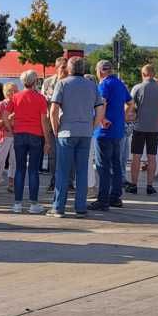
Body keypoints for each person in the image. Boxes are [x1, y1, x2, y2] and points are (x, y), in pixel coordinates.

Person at [49, 57, 104, 218]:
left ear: (69, 68)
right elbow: (100, 109)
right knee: (82, 171)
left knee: (62, 171)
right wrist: (92, 126)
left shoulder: (62, 84)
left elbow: (54, 110)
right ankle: (80, 207)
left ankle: (58, 207)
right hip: (85, 132)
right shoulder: (92, 85)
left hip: (66, 131)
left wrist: (55, 129)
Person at [88, 60, 133, 211]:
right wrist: (123, 117)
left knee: (103, 166)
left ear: (100, 71)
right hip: (118, 130)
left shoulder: (104, 85)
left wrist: (101, 120)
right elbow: (131, 103)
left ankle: (103, 200)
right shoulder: (119, 84)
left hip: (104, 131)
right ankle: (115, 197)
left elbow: (102, 103)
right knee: (116, 164)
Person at [11, 70, 51, 213]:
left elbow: (6, 114)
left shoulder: (15, 96)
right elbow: (44, 121)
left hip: (19, 134)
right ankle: (33, 204)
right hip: (35, 135)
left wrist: (11, 128)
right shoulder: (40, 98)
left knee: (19, 169)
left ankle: (17, 204)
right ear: (35, 81)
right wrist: (47, 140)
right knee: (33, 170)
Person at [127, 64, 158, 195]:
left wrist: (130, 115)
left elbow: (130, 105)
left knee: (136, 156)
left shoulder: (137, 87)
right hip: (154, 127)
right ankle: (150, 186)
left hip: (139, 126)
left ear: (143, 74)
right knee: (152, 156)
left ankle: (134, 185)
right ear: (154, 74)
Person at [42, 57, 68, 192]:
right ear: (56, 68)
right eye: (62, 67)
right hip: (52, 122)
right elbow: (42, 101)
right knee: (53, 155)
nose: (65, 70)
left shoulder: (71, 82)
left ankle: (69, 182)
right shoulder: (48, 82)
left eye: (66, 67)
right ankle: (54, 180)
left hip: (67, 122)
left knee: (68, 154)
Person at [0, 82, 18, 195]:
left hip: (16, 136)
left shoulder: (18, 104)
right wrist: (7, 119)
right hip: (4, 136)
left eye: (17, 90)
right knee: (0, 161)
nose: (16, 93)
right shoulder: (1, 105)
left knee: (14, 161)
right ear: (7, 92)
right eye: (13, 91)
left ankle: (11, 185)